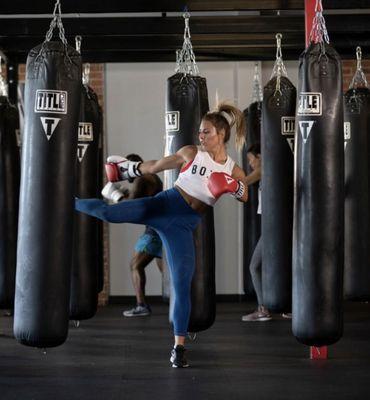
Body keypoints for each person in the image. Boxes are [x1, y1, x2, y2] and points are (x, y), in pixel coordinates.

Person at [75, 102, 249, 368]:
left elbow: (245, 195)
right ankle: (69, 200)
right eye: (200, 132)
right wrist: (131, 169)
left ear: (221, 134)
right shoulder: (192, 152)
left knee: (181, 283)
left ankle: (179, 348)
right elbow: (156, 166)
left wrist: (231, 186)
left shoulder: (232, 169)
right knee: (111, 214)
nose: (200, 136)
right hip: (163, 205)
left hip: (184, 225)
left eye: (206, 132)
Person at [101, 154, 163, 318]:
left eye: (122, 171)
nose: (122, 175)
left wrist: (115, 196)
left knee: (135, 265)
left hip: (155, 229)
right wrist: (125, 194)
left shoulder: (142, 179)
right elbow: (141, 201)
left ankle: (141, 305)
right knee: (168, 272)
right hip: (163, 227)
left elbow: (131, 209)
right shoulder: (151, 178)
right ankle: (187, 304)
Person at [241, 144, 291, 322]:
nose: (250, 163)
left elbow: (245, 181)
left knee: (254, 266)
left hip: (273, 227)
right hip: (272, 225)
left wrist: (220, 181)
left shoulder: (264, 169)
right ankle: (283, 307)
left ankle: (264, 309)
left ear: (260, 157)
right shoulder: (269, 171)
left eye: (251, 159)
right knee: (280, 265)